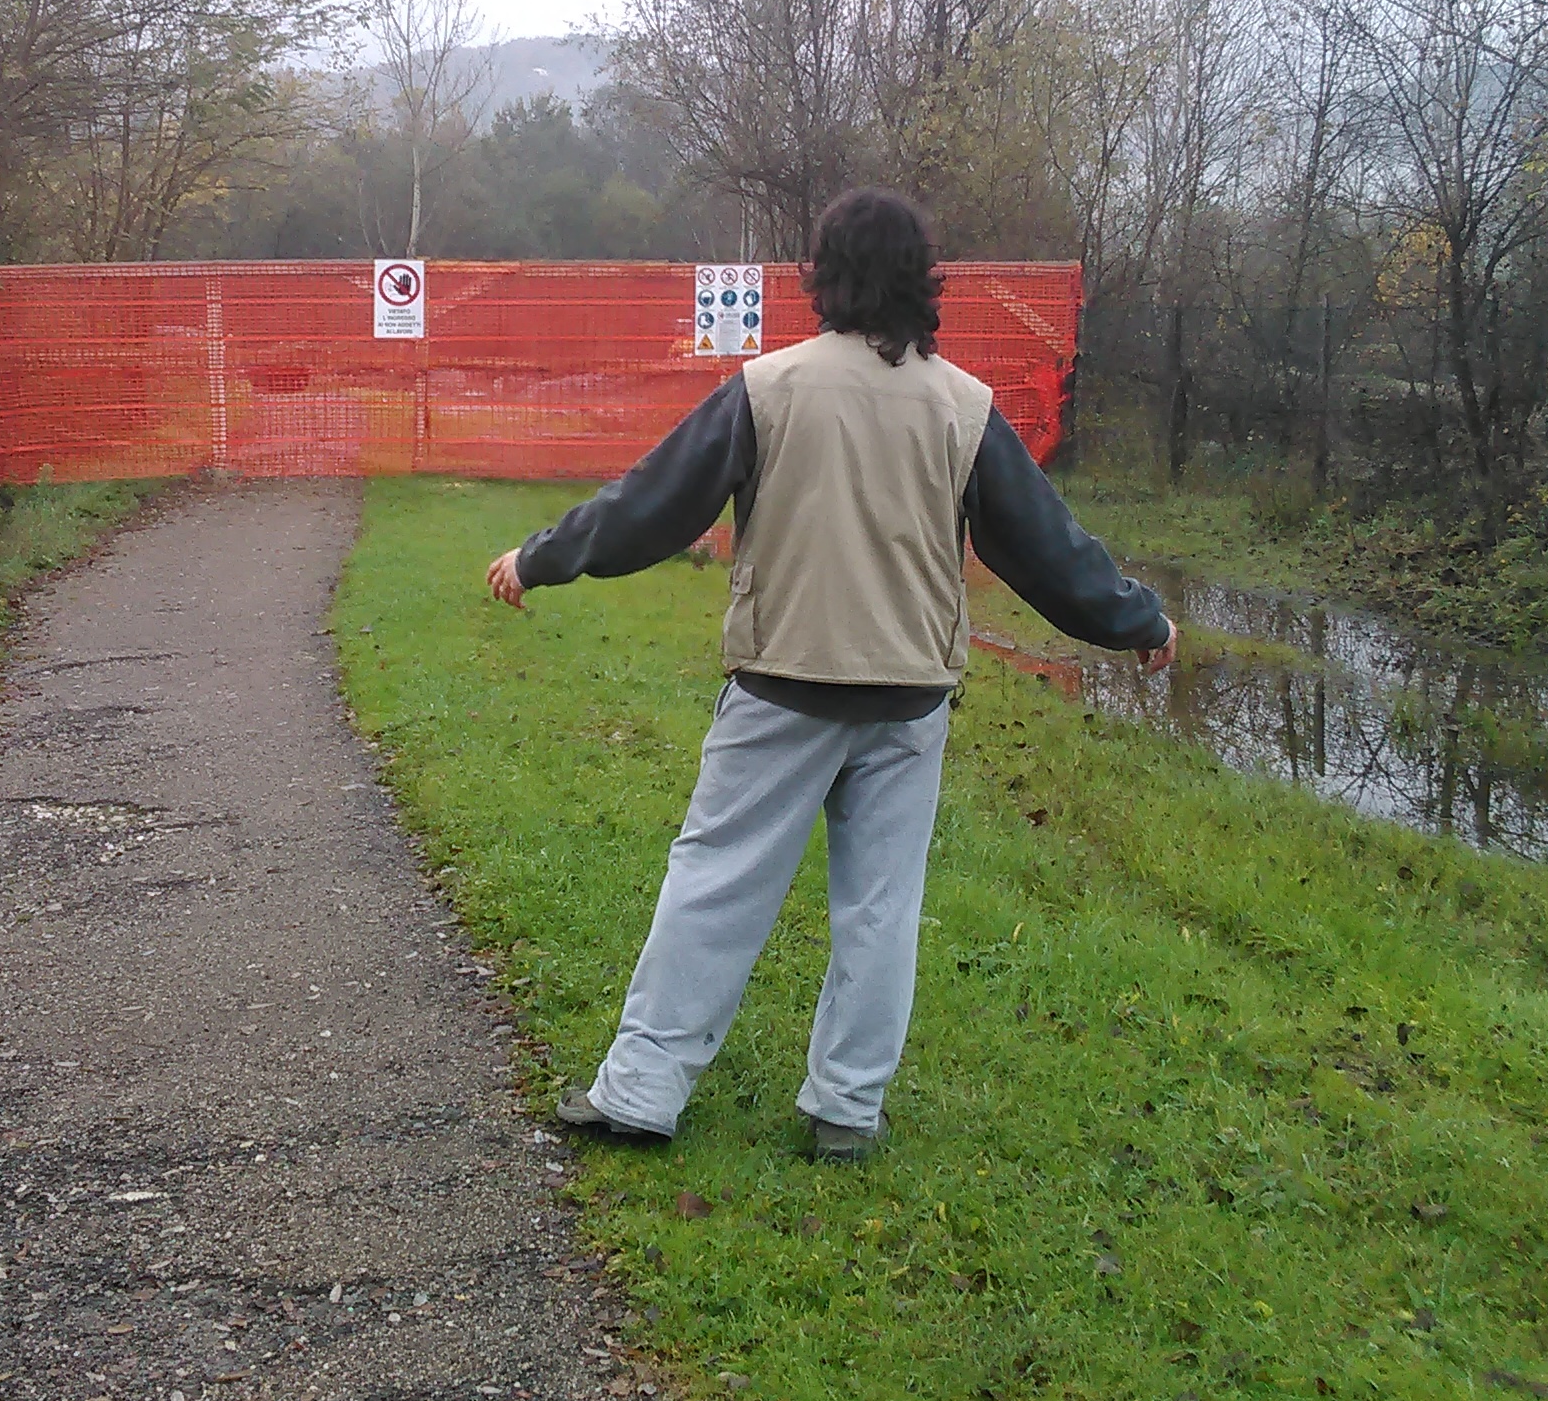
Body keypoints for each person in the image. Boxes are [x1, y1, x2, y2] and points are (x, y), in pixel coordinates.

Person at [482, 187, 1176, 1162]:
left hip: (781, 687)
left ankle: (640, 1094)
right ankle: (846, 1112)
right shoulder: (963, 406)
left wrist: (541, 558)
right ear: (924, 282)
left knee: (716, 883)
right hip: (908, 702)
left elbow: (650, 506)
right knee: (881, 907)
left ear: (823, 277)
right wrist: (1138, 619)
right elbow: (1048, 553)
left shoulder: (769, 389)